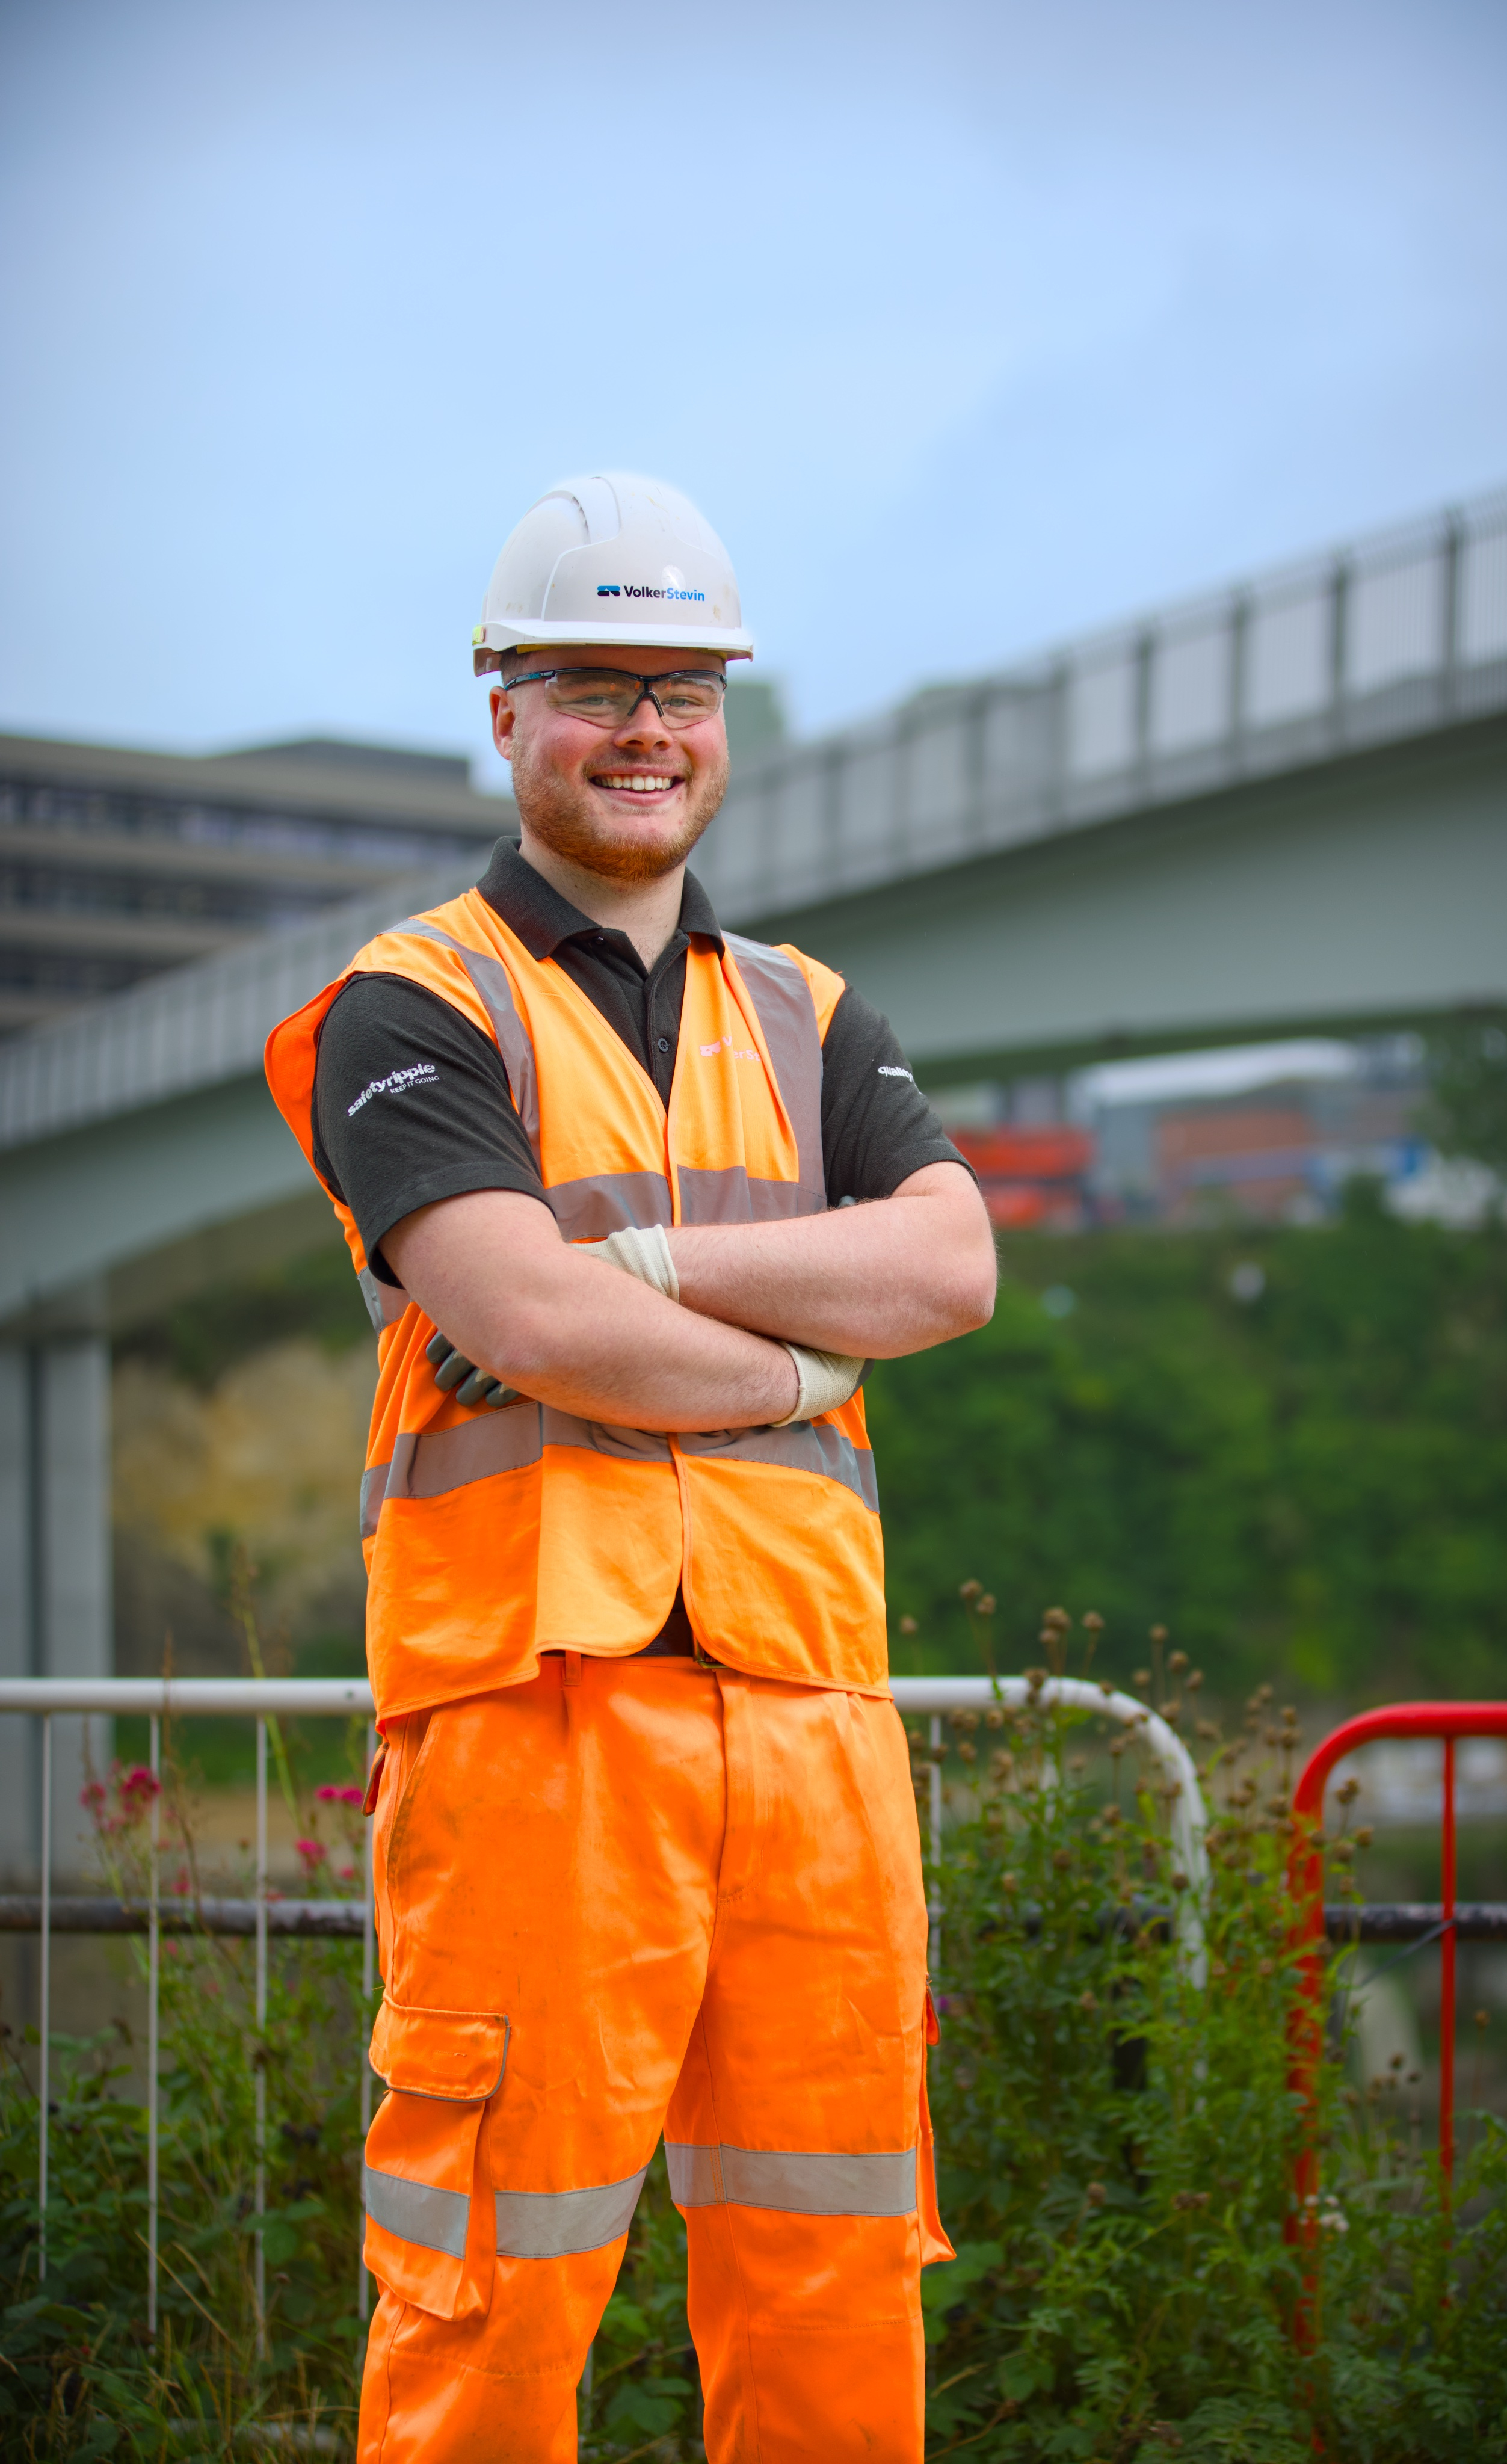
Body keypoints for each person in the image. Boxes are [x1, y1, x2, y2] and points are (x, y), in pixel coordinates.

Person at [265, 471, 997, 2463]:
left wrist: (662, 1262)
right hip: (540, 1723)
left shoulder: (808, 1012)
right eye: (595, 684)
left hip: (809, 1720)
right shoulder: (415, 1006)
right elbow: (528, 1317)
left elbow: (949, 1263)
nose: (647, 729)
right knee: (493, 2284)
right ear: (502, 708)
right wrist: (795, 1372)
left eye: (683, 687)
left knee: (836, 2276)